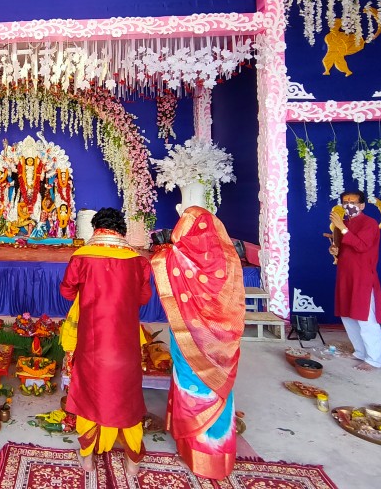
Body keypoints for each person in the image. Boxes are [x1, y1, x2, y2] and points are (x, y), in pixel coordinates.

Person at [150, 206, 244, 480]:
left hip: (190, 335)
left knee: (191, 383)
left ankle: (195, 446)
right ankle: (216, 450)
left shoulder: (178, 258)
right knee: (215, 387)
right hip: (221, 339)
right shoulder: (227, 258)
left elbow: (159, 261)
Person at [59, 208, 153, 476]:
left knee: (89, 394)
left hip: (92, 341)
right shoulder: (138, 260)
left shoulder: (82, 256)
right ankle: (133, 461)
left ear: (95, 228)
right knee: (129, 398)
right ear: (121, 230)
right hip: (125, 343)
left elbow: (67, 291)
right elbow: (143, 297)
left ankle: (87, 458)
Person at [329, 189, 381, 371]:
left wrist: (343, 228)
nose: (348, 205)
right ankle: (360, 352)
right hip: (346, 274)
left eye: (353, 202)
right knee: (347, 315)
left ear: (362, 205)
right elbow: (344, 248)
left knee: (365, 317)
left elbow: (361, 246)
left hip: (362, 276)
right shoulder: (344, 224)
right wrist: (335, 251)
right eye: (345, 202)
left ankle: (374, 359)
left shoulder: (369, 224)